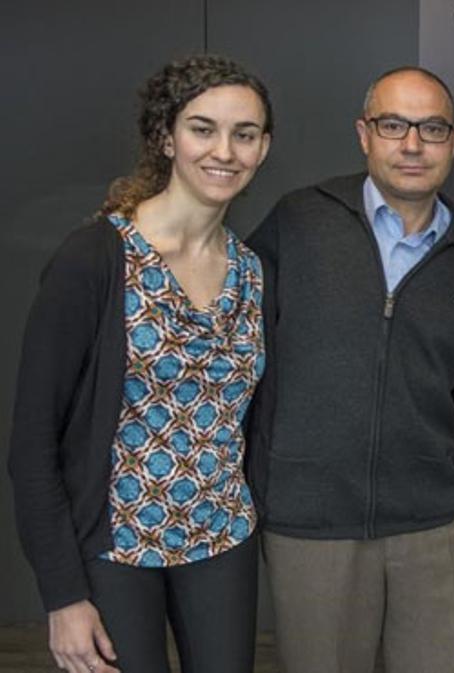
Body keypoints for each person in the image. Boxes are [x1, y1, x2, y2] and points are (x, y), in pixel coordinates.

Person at [8, 55, 273, 673]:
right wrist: (63, 595)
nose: (225, 152)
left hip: (222, 537)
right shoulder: (96, 258)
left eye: (245, 134)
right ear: (166, 137)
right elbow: (32, 442)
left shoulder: (253, 269)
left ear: (264, 147)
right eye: (202, 128)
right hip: (115, 548)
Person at [245, 66, 454, 673]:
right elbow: (236, 359)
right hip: (311, 525)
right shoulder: (299, 222)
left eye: (431, 128)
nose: (412, 144)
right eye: (394, 125)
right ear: (365, 134)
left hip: (432, 529)